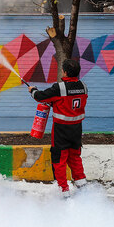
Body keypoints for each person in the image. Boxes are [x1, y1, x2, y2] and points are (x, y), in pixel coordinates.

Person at [28, 59, 88, 195]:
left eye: (62, 69)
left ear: (65, 72)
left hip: (61, 130)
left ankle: (63, 191)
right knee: (75, 156)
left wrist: (33, 90)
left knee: (59, 159)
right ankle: (82, 186)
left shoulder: (59, 88)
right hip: (77, 129)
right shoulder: (84, 86)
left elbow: (41, 97)